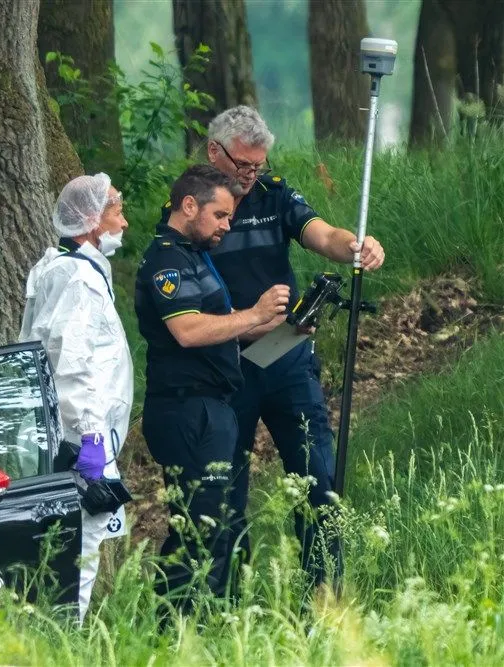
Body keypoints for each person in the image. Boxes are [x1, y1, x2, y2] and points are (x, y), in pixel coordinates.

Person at [195, 105, 386, 589]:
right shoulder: (192, 205)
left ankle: (324, 592)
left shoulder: (272, 193)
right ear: (214, 151)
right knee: (224, 491)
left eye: (258, 165)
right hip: (223, 365)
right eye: (243, 165)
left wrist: (355, 246)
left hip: (286, 356)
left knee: (316, 475)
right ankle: (227, 602)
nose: (250, 175)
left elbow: (321, 233)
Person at [135, 164, 291, 608]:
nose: (228, 224)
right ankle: (174, 631)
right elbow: (187, 330)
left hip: (214, 406)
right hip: (187, 410)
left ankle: (207, 625)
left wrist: (284, 326)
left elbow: (220, 326)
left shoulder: (193, 254)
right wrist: (255, 314)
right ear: (189, 206)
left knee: (217, 525)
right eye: (220, 215)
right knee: (197, 529)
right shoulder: (167, 258)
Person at [19, 173, 133, 623]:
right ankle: (69, 636)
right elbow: (73, 362)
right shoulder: (77, 279)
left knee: (72, 541)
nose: (123, 222)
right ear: (90, 221)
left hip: (72, 431)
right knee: (81, 543)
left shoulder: (64, 268)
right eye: (116, 211)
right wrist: (90, 438)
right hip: (80, 437)